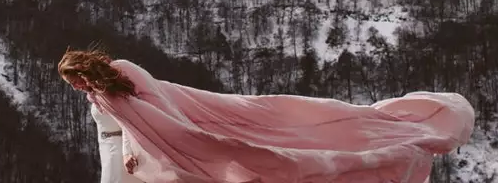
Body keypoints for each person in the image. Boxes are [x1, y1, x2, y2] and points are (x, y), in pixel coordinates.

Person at [58, 48, 474, 183]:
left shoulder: (122, 77)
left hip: (162, 144)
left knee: (264, 126)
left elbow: (159, 111)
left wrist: (185, 140)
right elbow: (134, 125)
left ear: (83, 68)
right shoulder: (102, 93)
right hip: (129, 154)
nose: (74, 88)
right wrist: (134, 147)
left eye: (73, 80)